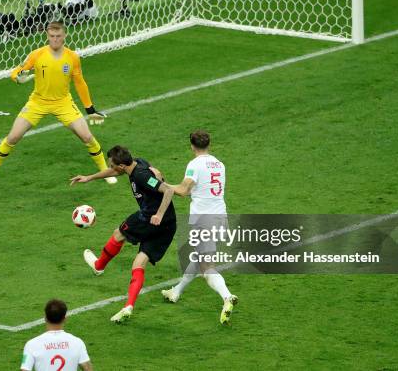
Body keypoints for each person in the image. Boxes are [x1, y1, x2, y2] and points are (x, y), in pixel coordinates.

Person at [0, 20, 115, 186]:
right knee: (13, 136)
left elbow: (80, 82)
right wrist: (17, 76)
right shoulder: (36, 54)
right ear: (47, 36)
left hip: (63, 102)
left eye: (58, 36)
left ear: (64, 35)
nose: (55, 39)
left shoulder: (72, 57)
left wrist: (90, 109)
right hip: (38, 102)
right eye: (52, 36)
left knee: (87, 136)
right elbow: (16, 71)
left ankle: (105, 172)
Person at [70, 145, 176, 323]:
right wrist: (90, 177)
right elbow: (118, 173)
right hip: (168, 225)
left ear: (121, 166)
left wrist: (158, 214)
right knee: (138, 264)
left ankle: (99, 266)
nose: (110, 168)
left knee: (118, 234)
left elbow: (168, 190)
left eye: (112, 165)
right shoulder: (137, 163)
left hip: (150, 219)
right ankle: (128, 306)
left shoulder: (141, 176)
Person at [156, 130, 238, 325]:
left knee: (206, 267)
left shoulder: (194, 165)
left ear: (192, 145)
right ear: (208, 144)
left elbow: (184, 191)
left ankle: (227, 296)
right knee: (199, 256)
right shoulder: (219, 164)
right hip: (220, 216)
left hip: (203, 220)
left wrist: (161, 183)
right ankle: (176, 291)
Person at [20, 299, 93, 371]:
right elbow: (87, 368)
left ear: (45, 318)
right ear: (65, 319)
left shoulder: (32, 344)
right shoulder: (77, 342)